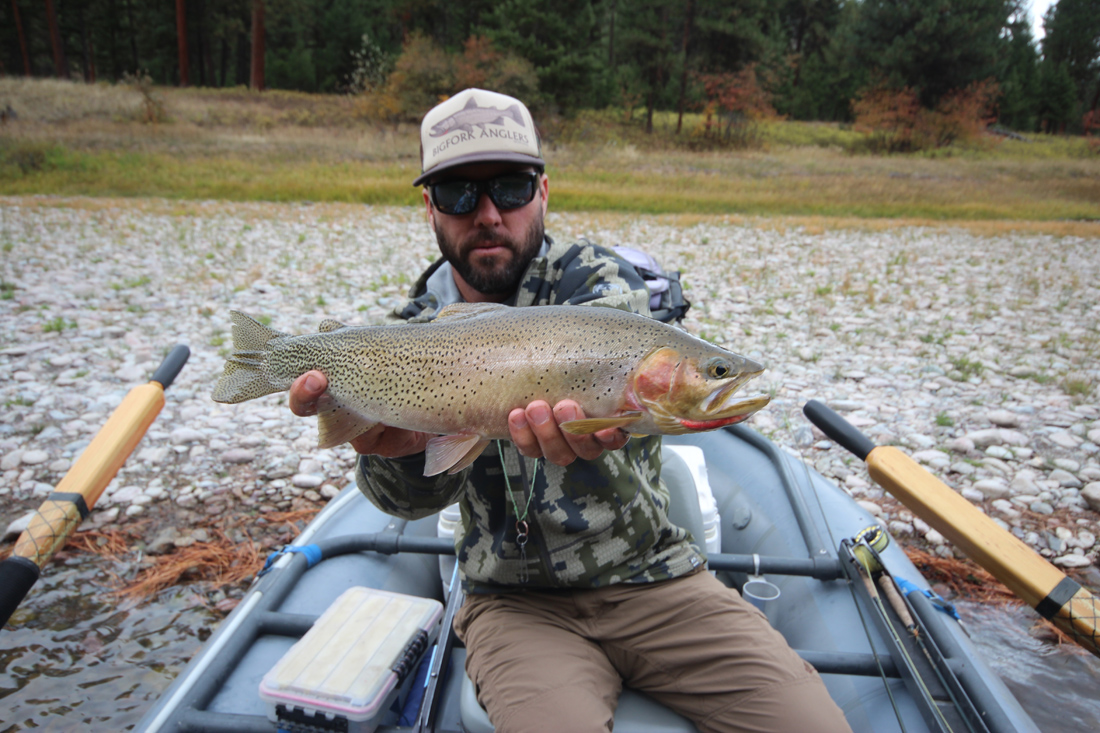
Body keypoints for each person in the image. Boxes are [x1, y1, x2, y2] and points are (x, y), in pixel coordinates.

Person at [289, 88, 851, 733]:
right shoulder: (412, 335)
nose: (489, 213)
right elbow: (403, 506)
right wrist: (398, 452)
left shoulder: (604, 288)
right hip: (513, 604)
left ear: (544, 191)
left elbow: (627, 381)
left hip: (656, 579)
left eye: (510, 185)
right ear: (429, 208)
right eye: (458, 194)